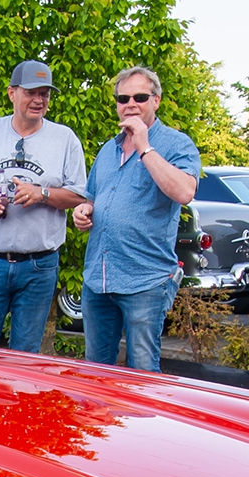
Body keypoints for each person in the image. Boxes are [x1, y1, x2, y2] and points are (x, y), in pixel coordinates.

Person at [0, 59, 87, 354]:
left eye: (45, 94)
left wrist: (42, 194)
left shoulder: (65, 139)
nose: (39, 100)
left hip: (39, 265)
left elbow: (79, 196)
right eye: (31, 92)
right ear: (12, 93)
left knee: (24, 355)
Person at [71, 65, 197, 371]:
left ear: (156, 100)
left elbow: (183, 192)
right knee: (97, 373)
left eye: (140, 97)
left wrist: (144, 147)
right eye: (123, 98)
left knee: (143, 376)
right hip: (98, 280)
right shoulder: (107, 150)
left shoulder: (176, 144)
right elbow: (92, 199)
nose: (130, 104)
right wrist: (83, 212)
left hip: (144, 281)